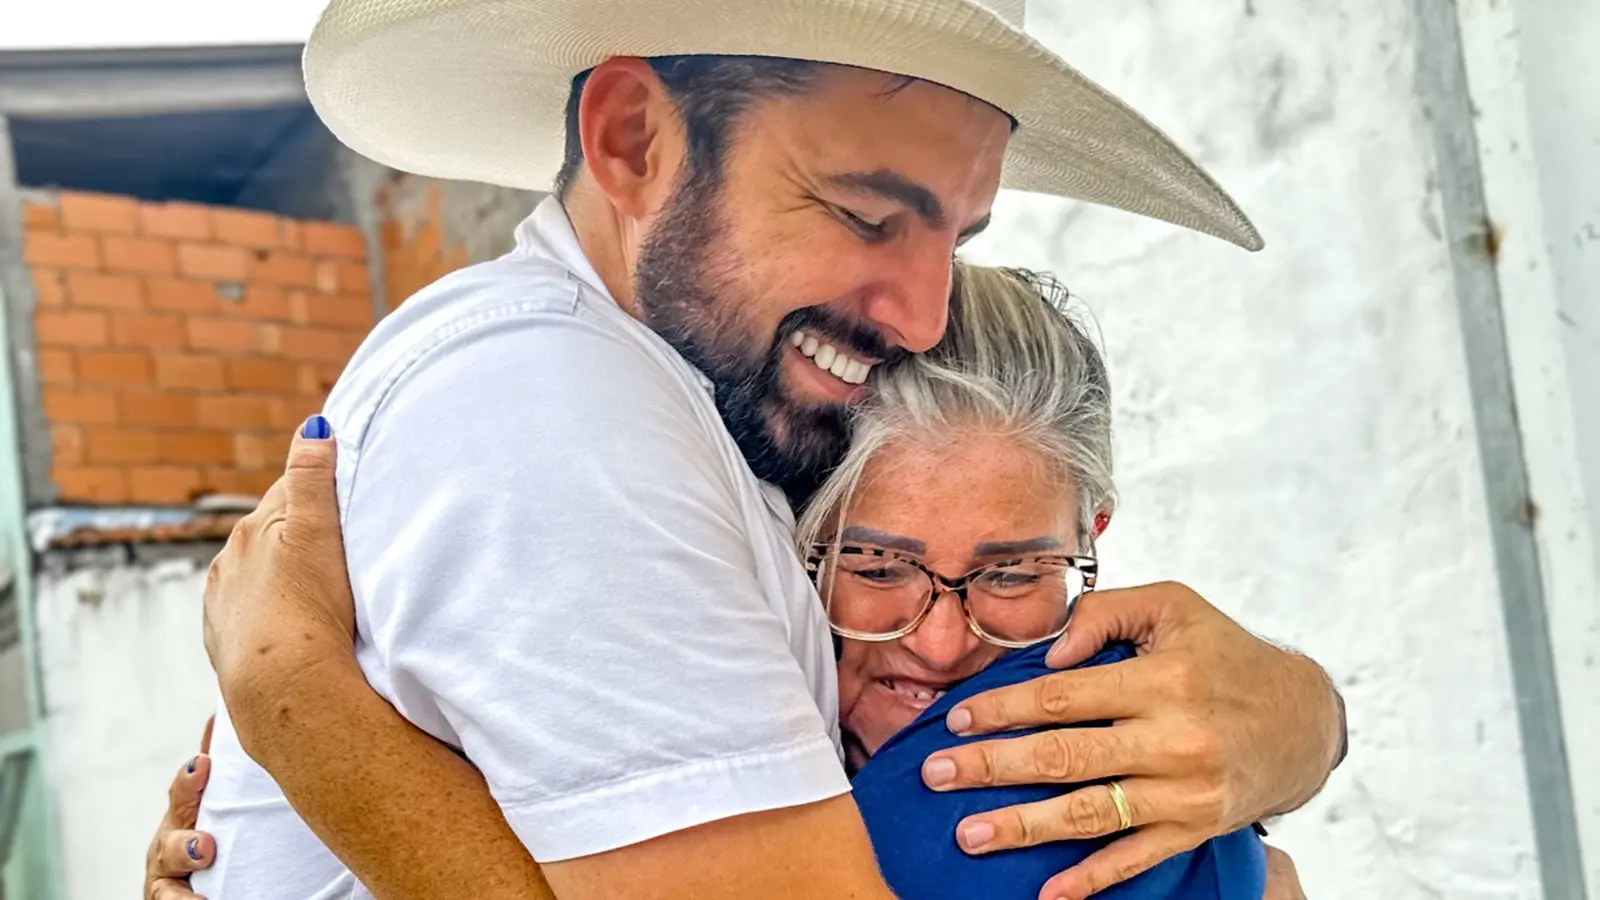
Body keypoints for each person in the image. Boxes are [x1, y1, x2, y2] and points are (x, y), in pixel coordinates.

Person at [149, 0, 1347, 898]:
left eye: (954, 236)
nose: (921, 314)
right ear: (632, 140)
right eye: (867, 214)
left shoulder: (715, 407)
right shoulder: (559, 411)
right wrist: (295, 703)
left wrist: (1297, 724)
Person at [151, 264, 1306, 899]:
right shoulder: (658, 692)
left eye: (1011, 572)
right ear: (772, 540)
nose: (940, 639)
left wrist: (296, 702)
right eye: (875, 564)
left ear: (1090, 538)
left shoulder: (1034, 761)